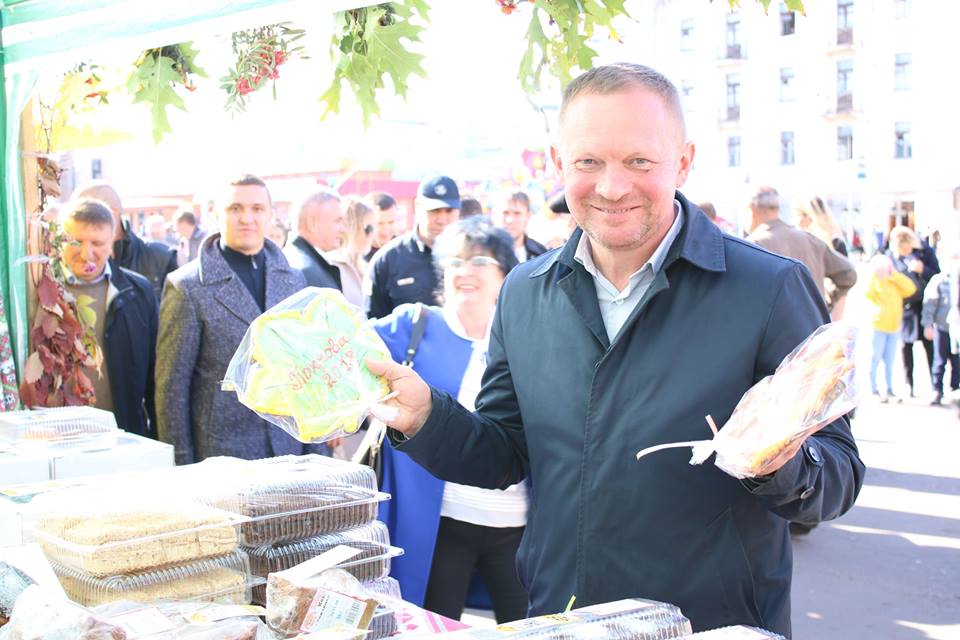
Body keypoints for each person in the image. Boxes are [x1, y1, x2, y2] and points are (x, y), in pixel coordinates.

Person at [364, 63, 864, 637]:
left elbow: (836, 479)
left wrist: (777, 461)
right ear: (559, 163)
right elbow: (504, 451)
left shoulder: (768, 289)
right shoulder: (525, 291)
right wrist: (427, 416)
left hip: (710, 625)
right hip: (560, 618)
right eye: (588, 162)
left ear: (684, 160)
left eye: (639, 161)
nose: (611, 186)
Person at [373, 217, 527, 622]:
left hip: (519, 526)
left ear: (505, 273)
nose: (465, 271)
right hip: (443, 523)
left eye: (480, 260)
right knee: (429, 625)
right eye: (455, 262)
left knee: (532, 627)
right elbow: (348, 347)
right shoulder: (413, 327)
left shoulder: (532, 334)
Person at [156, 174, 317, 465]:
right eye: (235, 209)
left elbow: (307, 369)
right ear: (217, 214)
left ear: (270, 215)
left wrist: (316, 447)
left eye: (257, 209)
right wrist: (181, 466)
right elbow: (171, 391)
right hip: (222, 456)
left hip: (290, 452)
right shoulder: (187, 287)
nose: (247, 218)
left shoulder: (294, 280)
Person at [60, 198, 159, 438]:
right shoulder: (41, 291)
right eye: (76, 242)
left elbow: (154, 373)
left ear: (112, 242)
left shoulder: (137, 291)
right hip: (59, 435)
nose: (86, 253)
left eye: (97, 243)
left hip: (123, 434)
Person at [747, 186, 857, 319]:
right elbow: (848, 274)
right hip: (814, 330)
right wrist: (822, 304)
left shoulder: (752, 246)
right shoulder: (810, 240)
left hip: (778, 334)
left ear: (752, 208)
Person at [365, 175, 461, 319]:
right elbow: (372, 325)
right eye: (434, 211)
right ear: (418, 207)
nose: (442, 219)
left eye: (449, 211)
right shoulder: (388, 260)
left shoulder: (474, 257)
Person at [74, 182, 178, 301]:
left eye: (84, 216)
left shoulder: (161, 257)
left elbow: (178, 315)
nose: (78, 224)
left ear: (112, 213)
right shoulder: (70, 261)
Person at [886, 225, 940, 397]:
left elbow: (937, 275)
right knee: (906, 346)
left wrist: (922, 269)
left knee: (930, 344)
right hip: (905, 307)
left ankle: (935, 385)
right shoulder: (892, 257)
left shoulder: (925, 252)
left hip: (926, 305)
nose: (905, 250)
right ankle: (909, 384)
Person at [865, 254, 917, 403]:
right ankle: (873, 388)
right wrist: (875, 275)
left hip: (894, 327)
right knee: (874, 358)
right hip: (878, 326)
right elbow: (867, 293)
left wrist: (894, 274)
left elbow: (911, 288)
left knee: (890, 360)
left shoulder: (895, 282)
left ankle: (889, 388)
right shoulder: (874, 283)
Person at [284, 188, 346, 292]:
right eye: (337, 221)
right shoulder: (307, 272)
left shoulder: (299, 262)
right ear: (312, 224)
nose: (343, 229)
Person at [921, 247, 959, 405]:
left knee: (957, 361)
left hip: (957, 329)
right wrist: (928, 324)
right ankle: (937, 390)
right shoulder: (939, 280)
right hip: (942, 327)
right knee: (939, 360)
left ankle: (955, 388)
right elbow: (929, 304)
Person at [327, 197, 375, 308]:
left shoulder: (366, 266)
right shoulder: (332, 265)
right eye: (368, 228)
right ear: (352, 228)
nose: (372, 234)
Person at [492, 191, 548, 263]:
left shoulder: (541, 254)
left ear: (528, 216)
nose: (510, 220)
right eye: (505, 213)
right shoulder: (485, 252)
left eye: (517, 213)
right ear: (495, 215)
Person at [366, 191, 399, 262]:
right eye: (379, 223)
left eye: (391, 222)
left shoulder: (404, 251)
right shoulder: (356, 255)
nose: (386, 230)